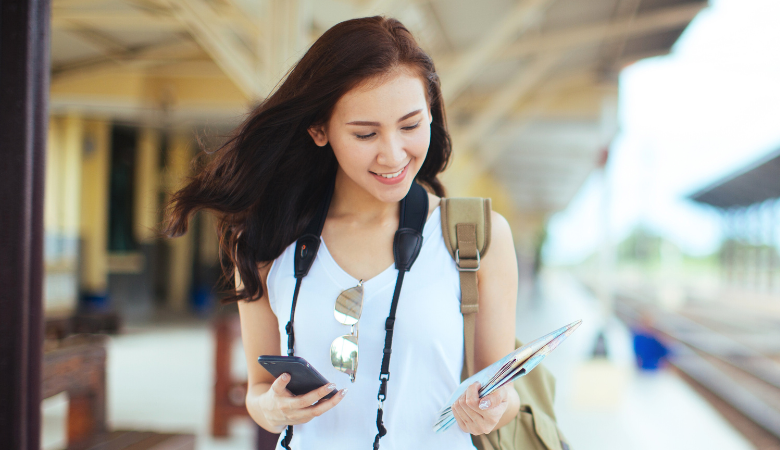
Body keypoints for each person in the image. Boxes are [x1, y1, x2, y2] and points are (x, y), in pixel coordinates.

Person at [164, 16, 520, 449]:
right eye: (365, 133)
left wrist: (491, 409)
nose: (393, 154)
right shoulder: (264, 241)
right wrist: (270, 409)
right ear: (319, 129)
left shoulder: (479, 236)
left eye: (410, 126)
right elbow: (260, 390)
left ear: (431, 115)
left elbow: (506, 392)